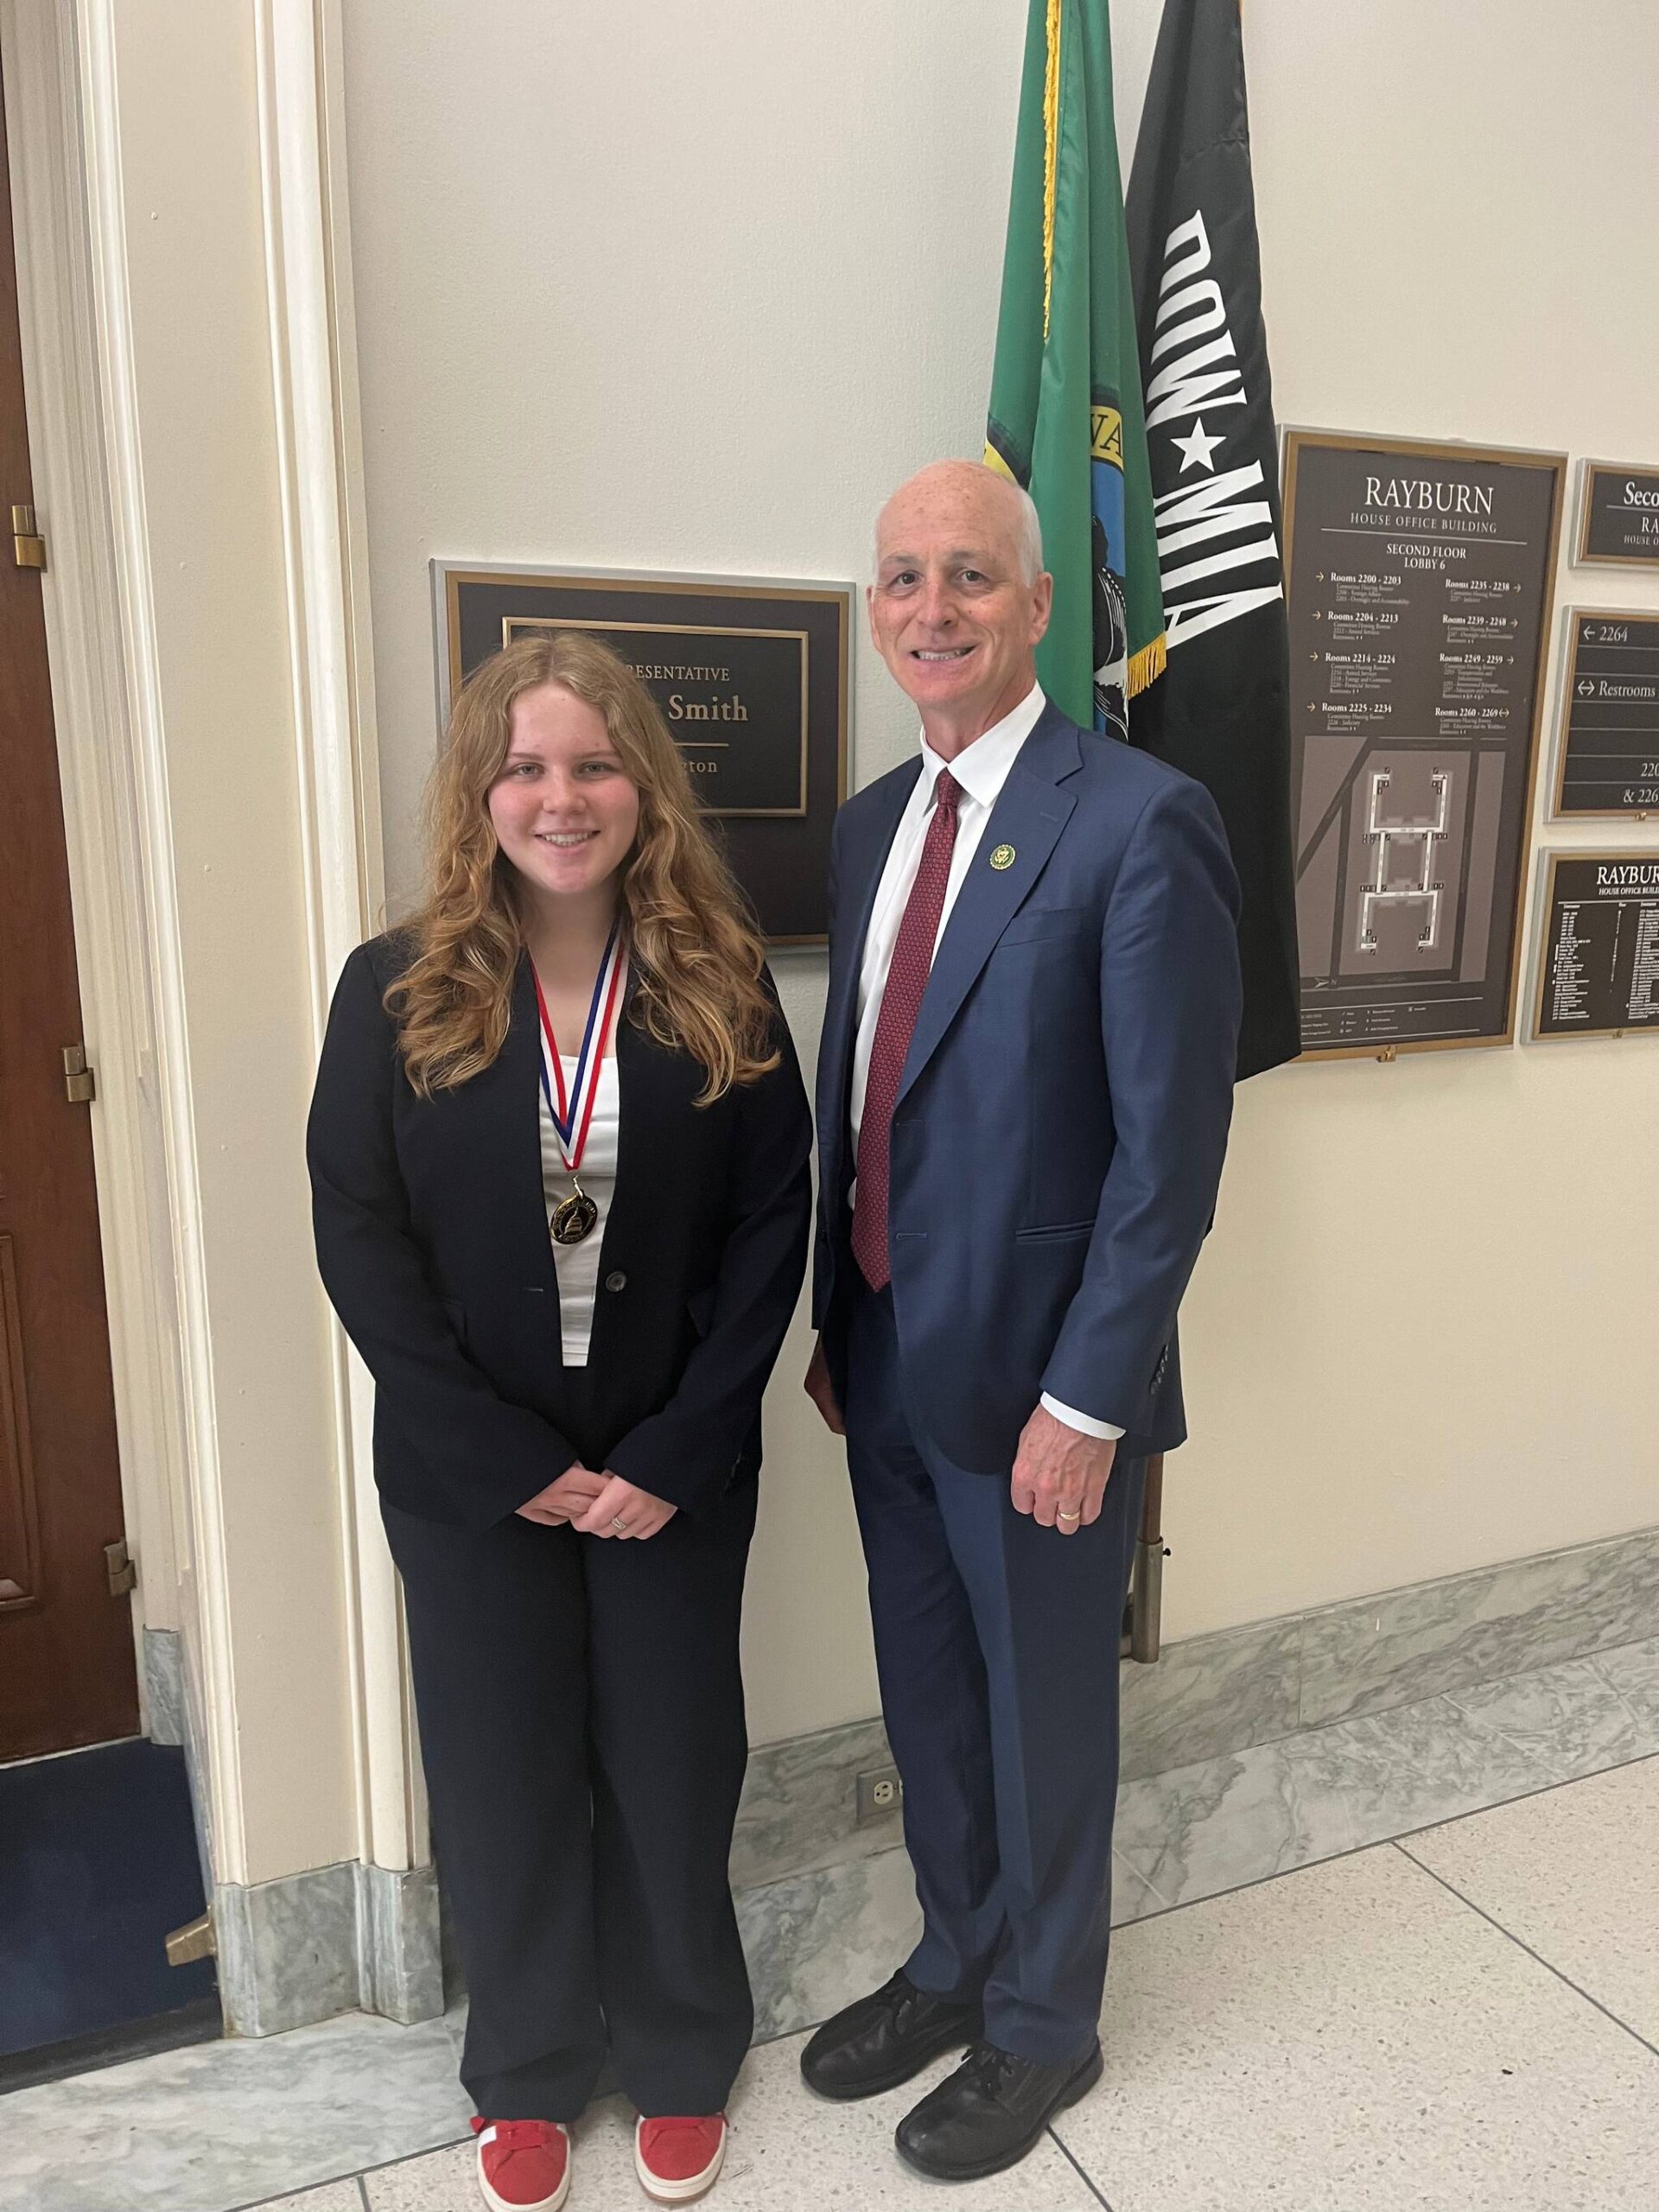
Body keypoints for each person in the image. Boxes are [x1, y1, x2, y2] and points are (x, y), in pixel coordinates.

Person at [308, 632, 811, 2212]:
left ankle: (678, 2046)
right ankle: (523, 2067)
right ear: (481, 793)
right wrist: (507, 1459)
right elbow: (357, 1236)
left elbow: (772, 1229)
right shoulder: (390, 989)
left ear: (642, 787)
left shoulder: (722, 984)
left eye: (593, 763)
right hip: (476, 1481)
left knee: (672, 1759)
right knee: (503, 1762)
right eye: (525, 766)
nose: (561, 795)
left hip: (672, 1470)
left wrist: (671, 1453)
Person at [799, 460, 1241, 2182]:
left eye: (968, 576)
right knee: (927, 1688)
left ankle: (1049, 2020)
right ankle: (958, 1948)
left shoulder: (1137, 819)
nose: (930, 608)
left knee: (1045, 1706)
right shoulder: (864, 823)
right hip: (889, 1353)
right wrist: (843, 1315)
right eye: (902, 576)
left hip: (1047, 1389)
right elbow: (876, 1090)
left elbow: (1169, 1158)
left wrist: (1091, 1395)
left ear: (1038, 605)